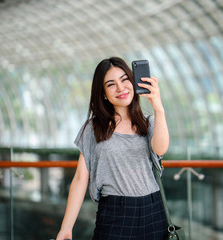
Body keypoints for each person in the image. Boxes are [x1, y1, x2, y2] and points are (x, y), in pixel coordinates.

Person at [56, 57, 169, 240]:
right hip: (115, 212)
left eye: (125, 79)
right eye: (111, 84)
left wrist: (159, 108)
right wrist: (66, 227)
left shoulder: (149, 123)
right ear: (103, 93)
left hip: (153, 210)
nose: (120, 87)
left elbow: (161, 148)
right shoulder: (93, 128)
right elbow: (80, 179)